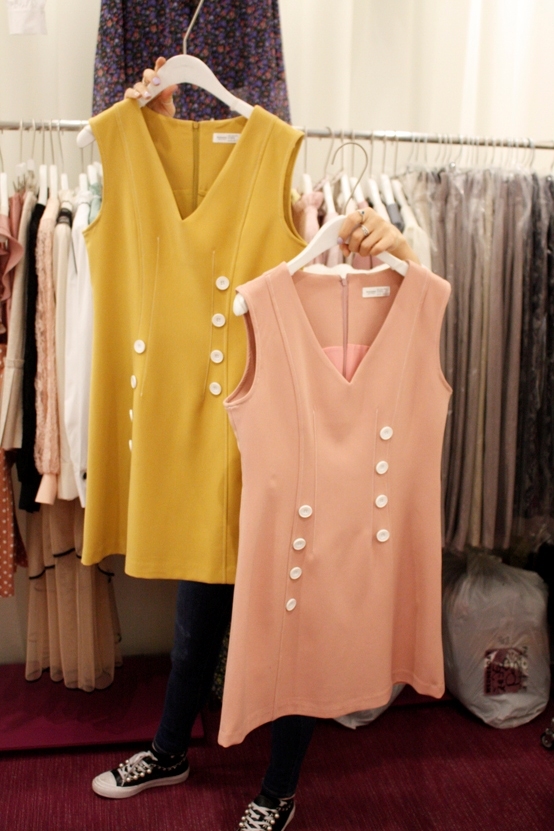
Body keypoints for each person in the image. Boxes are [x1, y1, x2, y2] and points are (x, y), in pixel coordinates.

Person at [91, 57, 420, 831]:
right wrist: (158, 124)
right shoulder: (121, 143)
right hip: (193, 439)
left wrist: (399, 250)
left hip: (282, 430)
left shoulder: (284, 161)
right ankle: (171, 748)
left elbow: (384, 306)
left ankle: (279, 786)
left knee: (290, 620)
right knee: (195, 616)